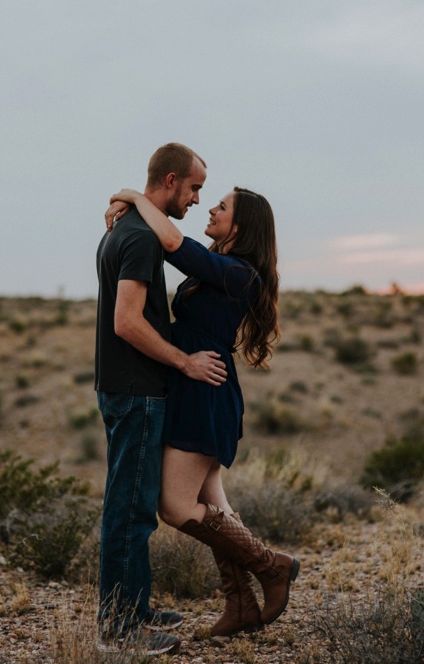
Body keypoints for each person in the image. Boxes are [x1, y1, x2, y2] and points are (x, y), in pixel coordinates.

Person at [104, 184, 300, 639]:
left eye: (222, 205)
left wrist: (134, 196)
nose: (210, 206)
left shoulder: (240, 273)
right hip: (194, 386)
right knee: (214, 505)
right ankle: (240, 605)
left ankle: (271, 567)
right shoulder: (223, 267)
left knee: (174, 507)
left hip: (206, 392)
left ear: (242, 225)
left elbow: (174, 244)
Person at [94, 142, 226, 655]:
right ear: (170, 181)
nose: (197, 200)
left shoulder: (119, 229)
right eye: (194, 188)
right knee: (130, 510)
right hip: (137, 389)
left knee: (132, 504)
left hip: (120, 385)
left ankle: (135, 606)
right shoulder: (142, 238)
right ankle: (121, 629)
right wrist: (184, 362)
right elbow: (126, 321)